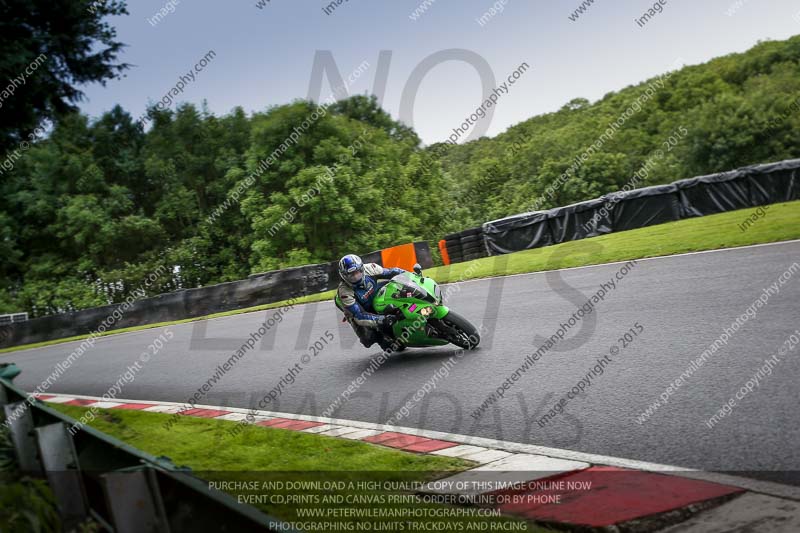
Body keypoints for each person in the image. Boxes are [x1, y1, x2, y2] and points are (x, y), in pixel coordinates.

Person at [335, 254, 406, 351]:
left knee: (396, 286)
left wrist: (410, 275)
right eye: (352, 275)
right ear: (344, 276)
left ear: (362, 269)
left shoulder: (370, 268)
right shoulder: (344, 292)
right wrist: (383, 319)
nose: (356, 277)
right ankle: (380, 338)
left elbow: (392, 272)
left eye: (358, 272)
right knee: (367, 339)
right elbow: (359, 316)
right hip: (359, 308)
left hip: (374, 293)